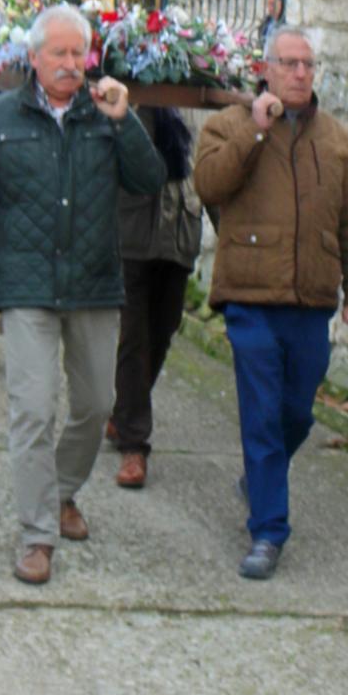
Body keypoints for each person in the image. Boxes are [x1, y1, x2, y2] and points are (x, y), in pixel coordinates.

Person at [0, 6, 165, 584]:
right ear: (33, 58)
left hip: (92, 284)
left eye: (78, 54)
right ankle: (38, 534)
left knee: (94, 408)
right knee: (33, 410)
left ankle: (62, 492)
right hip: (26, 288)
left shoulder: (106, 115)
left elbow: (150, 181)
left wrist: (126, 121)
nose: (69, 64)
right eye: (58, 54)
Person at [193, 25, 348, 581]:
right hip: (250, 296)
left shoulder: (336, 139)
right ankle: (268, 531)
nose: (300, 74)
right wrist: (257, 131)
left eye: (308, 65)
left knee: (297, 411)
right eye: (290, 64)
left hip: (312, 299)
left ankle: (258, 475)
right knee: (264, 415)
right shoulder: (227, 125)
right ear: (265, 69)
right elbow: (209, 186)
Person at [107, 103, 201, 489]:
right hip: (132, 233)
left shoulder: (194, 99)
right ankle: (134, 443)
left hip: (178, 231)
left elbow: (204, 167)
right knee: (136, 337)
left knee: (163, 330)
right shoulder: (126, 94)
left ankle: (124, 411)